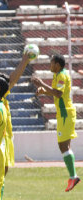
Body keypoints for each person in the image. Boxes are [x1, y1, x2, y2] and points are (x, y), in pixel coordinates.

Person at [32, 54, 79, 192]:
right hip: (63, 114)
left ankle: (73, 176)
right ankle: (73, 175)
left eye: (51, 63)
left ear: (57, 65)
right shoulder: (58, 75)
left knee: (62, 145)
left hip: (65, 114)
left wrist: (41, 84)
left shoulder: (62, 76)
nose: (50, 65)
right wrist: (44, 90)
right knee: (65, 145)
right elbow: (57, 93)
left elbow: (58, 94)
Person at [0, 51, 32, 200]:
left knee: (4, 169)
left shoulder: (0, 96)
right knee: (0, 169)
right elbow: (14, 78)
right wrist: (24, 61)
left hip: (6, 137)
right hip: (0, 138)